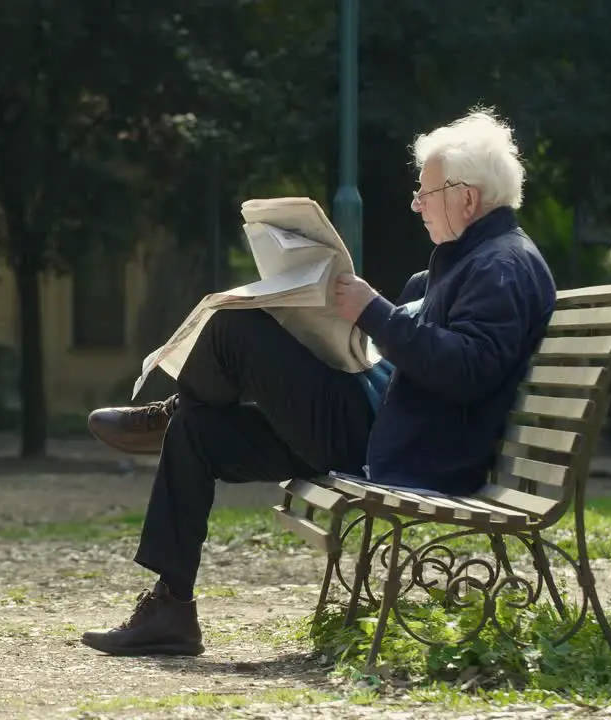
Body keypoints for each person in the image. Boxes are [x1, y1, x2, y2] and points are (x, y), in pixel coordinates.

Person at [79, 108, 557, 657]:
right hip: (379, 428)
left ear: (467, 198)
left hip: (396, 452)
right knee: (197, 428)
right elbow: (406, 356)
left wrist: (374, 313)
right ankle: (171, 609)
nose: (417, 204)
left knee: (233, 326)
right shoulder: (461, 266)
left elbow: (469, 370)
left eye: (427, 192)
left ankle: (167, 411)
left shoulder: (500, 267)